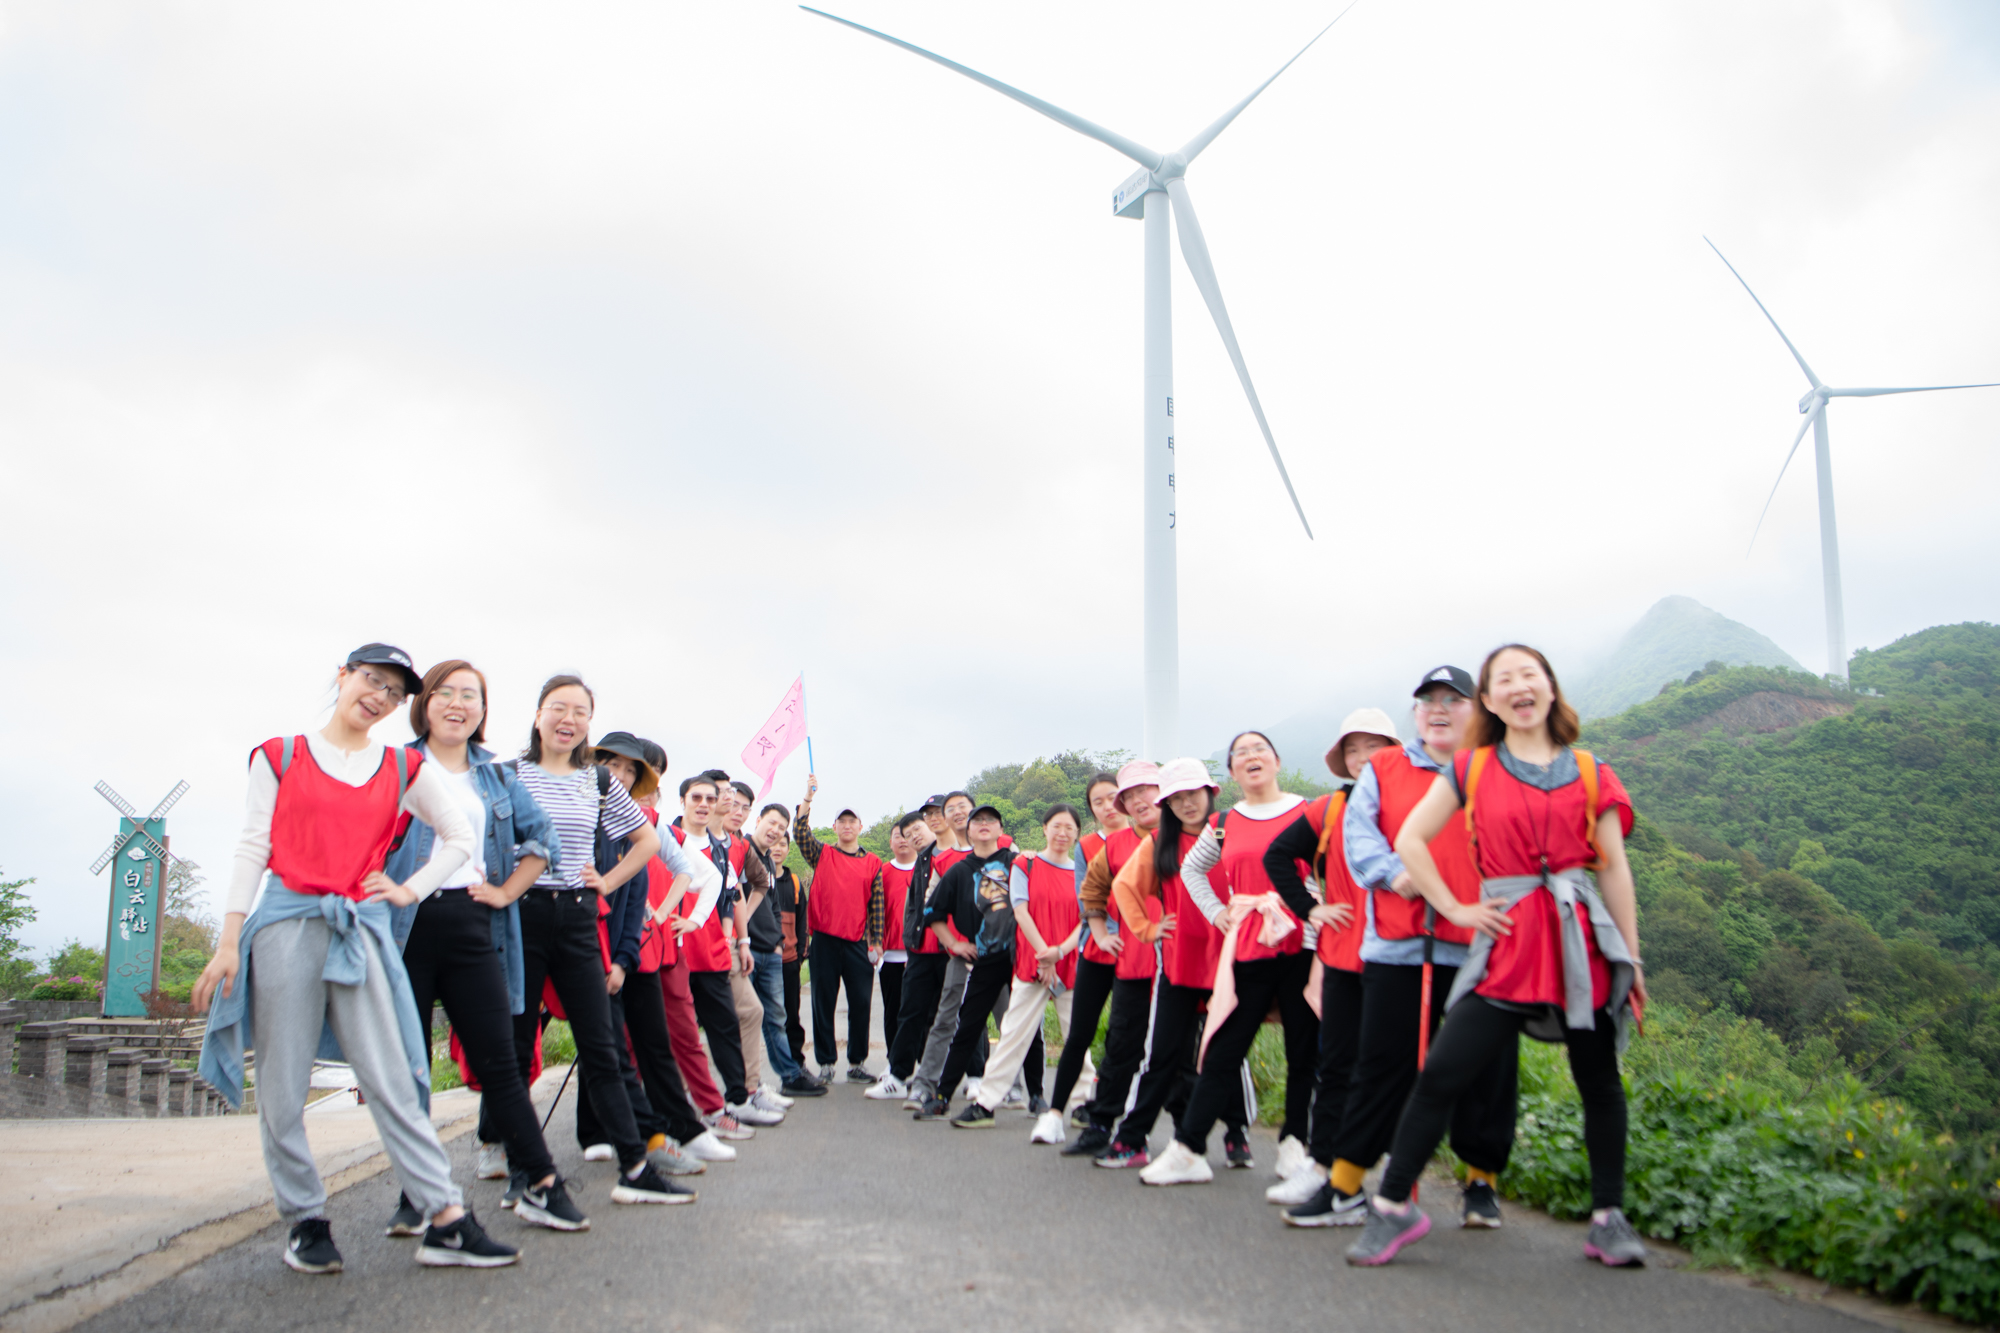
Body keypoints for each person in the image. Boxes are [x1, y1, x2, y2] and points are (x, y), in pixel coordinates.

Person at [195, 644, 520, 1272]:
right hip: (285, 924)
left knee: (392, 1076)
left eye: (394, 692)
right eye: (371, 680)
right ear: (343, 676)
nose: (379, 697)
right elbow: (252, 847)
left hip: (359, 929)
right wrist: (229, 941)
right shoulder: (280, 755)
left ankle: (445, 1217)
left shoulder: (402, 766)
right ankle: (306, 1221)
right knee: (283, 1083)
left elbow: (460, 837)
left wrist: (409, 890)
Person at [1347, 645, 1647, 1268]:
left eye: (1529, 674)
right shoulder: (1472, 768)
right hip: (1508, 943)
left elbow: (1614, 869)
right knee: (1442, 1074)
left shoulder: (1592, 771)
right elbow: (1410, 840)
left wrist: (1632, 961)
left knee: (1598, 1080)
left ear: (1550, 688)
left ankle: (1608, 1217)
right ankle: (1394, 1205)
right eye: (1503, 679)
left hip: (1580, 941)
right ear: (1489, 701)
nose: (1518, 686)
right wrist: (1454, 908)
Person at [382, 660, 588, 1235]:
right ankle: (417, 1195)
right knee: (409, 1068)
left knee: (502, 1061)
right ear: (423, 702)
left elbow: (543, 840)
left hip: (475, 926)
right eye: (445, 692)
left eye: (469, 695)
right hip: (402, 926)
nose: (457, 704)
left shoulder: (496, 777)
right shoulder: (392, 767)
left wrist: (506, 892)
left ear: (482, 710)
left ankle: (539, 1184)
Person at [1310, 666, 1517, 1228]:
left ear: (1479, 709)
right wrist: (1398, 873)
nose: (1439, 709)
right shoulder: (1386, 767)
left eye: (1454, 699)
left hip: (1483, 945)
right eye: (1428, 700)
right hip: (1399, 943)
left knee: (1486, 1068)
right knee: (1381, 1065)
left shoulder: (1497, 768)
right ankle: (1345, 1184)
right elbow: (1360, 836)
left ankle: (1481, 1182)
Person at [501, 676, 694, 1205]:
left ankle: (635, 1169)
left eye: (580, 711)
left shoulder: (599, 782)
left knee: (602, 1046)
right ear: (538, 714)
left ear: (589, 721)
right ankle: (525, 1173)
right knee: (516, 1049)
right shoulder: (507, 775)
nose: (568, 719)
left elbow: (646, 841)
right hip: (521, 917)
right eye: (558, 708)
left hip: (578, 918)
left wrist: (605, 882)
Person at [1140, 735, 1318, 1186]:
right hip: (1249, 946)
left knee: (1304, 1050)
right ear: (1232, 772)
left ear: (1277, 761)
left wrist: (1317, 908)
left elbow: (1330, 868)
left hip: (1304, 945)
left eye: (1260, 749)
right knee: (1222, 1048)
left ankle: (1294, 1145)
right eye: (1241, 753)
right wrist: (1217, 912)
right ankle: (1189, 1149)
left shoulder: (1310, 813)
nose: (1252, 756)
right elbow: (1192, 870)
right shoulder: (1223, 823)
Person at [1257, 709, 1401, 1211]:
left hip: (1401, 954)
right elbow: (1277, 855)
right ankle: (1322, 1167)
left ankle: (1392, 1172)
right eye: (1353, 749)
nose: (1363, 758)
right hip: (1343, 952)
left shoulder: (1419, 800)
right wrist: (1311, 909)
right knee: (1335, 1065)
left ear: (1394, 751)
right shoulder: (1329, 809)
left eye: (1373, 746)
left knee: (1393, 1066)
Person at [584, 734, 723, 1175]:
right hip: (581, 940)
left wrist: (661, 915)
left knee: (648, 1043)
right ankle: (590, 1133)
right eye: (613, 766)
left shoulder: (646, 822)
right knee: (596, 1045)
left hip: (635, 946)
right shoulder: (578, 807)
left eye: (635, 771)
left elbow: (690, 874)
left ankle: (671, 1133)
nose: (622, 777)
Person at [1100, 757, 1245, 1177]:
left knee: (1225, 1054)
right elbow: (1124, 887)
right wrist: (1147, 929)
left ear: (1210, 793)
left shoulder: (1229, 830)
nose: (1186, 804)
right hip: (1180, 961)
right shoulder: (1159, 842)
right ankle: (1132, 1138)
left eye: (1193, 794)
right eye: (1176, 798)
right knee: (1163, 1055)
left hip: (1229, 961)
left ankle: (1237, 1134)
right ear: (1166, 804)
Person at [951, 803, 1088, 1135]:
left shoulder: (1082, 872)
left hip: (1068, 963)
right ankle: (985, 1103)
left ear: (1077, 834)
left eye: (1069, 828)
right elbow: (1021, 911)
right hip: (1033, 963)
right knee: (1013, 1034)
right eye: (1056, 826)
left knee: (1076, 1036)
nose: (1062, 833)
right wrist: (1045, 954)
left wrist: (1059, 952)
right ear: (1044, 829)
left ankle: (1083, 1103)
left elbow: (1086, 918)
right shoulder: (1025, 864)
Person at [1065, 761, 1164, 1161]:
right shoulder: (1116, 845)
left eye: (1146, 790)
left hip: (1185, 963)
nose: (1139, 800)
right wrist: (1101, 933)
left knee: (1182, 1051)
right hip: (1134, 960)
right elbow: (1092, 891)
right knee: (1121, 1043)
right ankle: (1102, 1125)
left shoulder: (1196, 835)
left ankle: (1210, 1135)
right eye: (1131, 795)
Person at [667, 774, 777, 1128]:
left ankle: (739, 1098)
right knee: (680, 1033)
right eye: (697, 797)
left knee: (727, 1025)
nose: (708, 804)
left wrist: (736, 939)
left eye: (713, 798)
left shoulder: (724, 848)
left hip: (713, 952)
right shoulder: (669, 838)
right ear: (683, 800)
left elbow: (731, 896)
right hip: (676, 953)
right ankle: (680, 1109)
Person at [914, 804, 1019, 1119]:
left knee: (1011, 1020)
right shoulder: (950, 864)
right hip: (968, 954)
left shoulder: (1015, 860)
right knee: (950, 1019)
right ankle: (928, 1086)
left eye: (989, 819)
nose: (981, 824)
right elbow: (930, 909)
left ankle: (1013, 1086)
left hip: (1010, 956)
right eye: (952, 809)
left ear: (1000, 828)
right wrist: (953, 944)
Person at [1040, 773, 1121, 1131]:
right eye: (1097, 802)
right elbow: (1085, 900)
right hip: (1097, 949)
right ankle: (1056, 1113)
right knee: (1080, 1034)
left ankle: (1106, 1109)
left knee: (1125, 1035)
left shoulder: (1149, 837)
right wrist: (1102, 935)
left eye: (1112, 797)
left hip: (1140, 951)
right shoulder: (1087, 846)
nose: (1107, 807)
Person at [792, 775, 885, 1083]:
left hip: (857, 941)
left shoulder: (872, 863)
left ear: (860, 826)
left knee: (861, 1003)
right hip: (824, 941)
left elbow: (877, 905)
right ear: (834, 827)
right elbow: (800, 833)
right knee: (823, 1002)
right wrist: (808, 799)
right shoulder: (822, 854)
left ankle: (857, 1062)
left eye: (851, 821)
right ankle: (826, 1062)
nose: (847, 826)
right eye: (841, 821)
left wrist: (877, 941)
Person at [712, 776, 789, 1119]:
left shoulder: (737, 847)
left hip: (730, 946)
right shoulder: (686, 836)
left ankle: (746, 1093)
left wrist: (739, 935)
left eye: (744, 806)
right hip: (691, 944)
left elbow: (748, 891)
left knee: (754, 1012)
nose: (737, 811)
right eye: (732, 802)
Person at [745, 800, 826, 1098]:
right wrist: (740, 939)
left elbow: (777, 908)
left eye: (782, 829)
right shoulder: (741, 851)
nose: (776, 832)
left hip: (773, 953)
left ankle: (790, 1075)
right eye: (772, 823)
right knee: (747, 1018)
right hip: (746, 950)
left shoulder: (772, 865)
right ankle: (747, 1088)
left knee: (778, 1018)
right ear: (757, 820)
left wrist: (780, 944)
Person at [876, 804, 946, 1102]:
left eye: (917, 829)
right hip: (914, 951)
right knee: (907, 1013)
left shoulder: (950, 857)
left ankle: (970, 1077)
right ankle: (897, 1074)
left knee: (948, 1016)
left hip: (947, 950)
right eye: (905, 834)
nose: (912, 836)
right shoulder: (917, 864)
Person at [868, 817, 920, 1097]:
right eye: (897, 836)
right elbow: (872, 909)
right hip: (890, 954)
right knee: (893, 1013)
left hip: (920, 954)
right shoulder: (882, 872)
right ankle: (894, 1064)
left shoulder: (927, 868)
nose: (902, 840)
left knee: (919, 1013)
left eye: (907, 835)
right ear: (890, 842)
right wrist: (873, 943)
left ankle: (922, 1066)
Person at [769, 830, 813, 1085]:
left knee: (791, 1016)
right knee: (763, 1016)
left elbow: (803, 920)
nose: (777, 848)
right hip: (763, 959)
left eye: (783, 844)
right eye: (773, 843)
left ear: (788, 848)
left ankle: (796, 1065)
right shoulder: (756, 877)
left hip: (789, 961)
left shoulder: (794, 882)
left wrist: (800, 955)